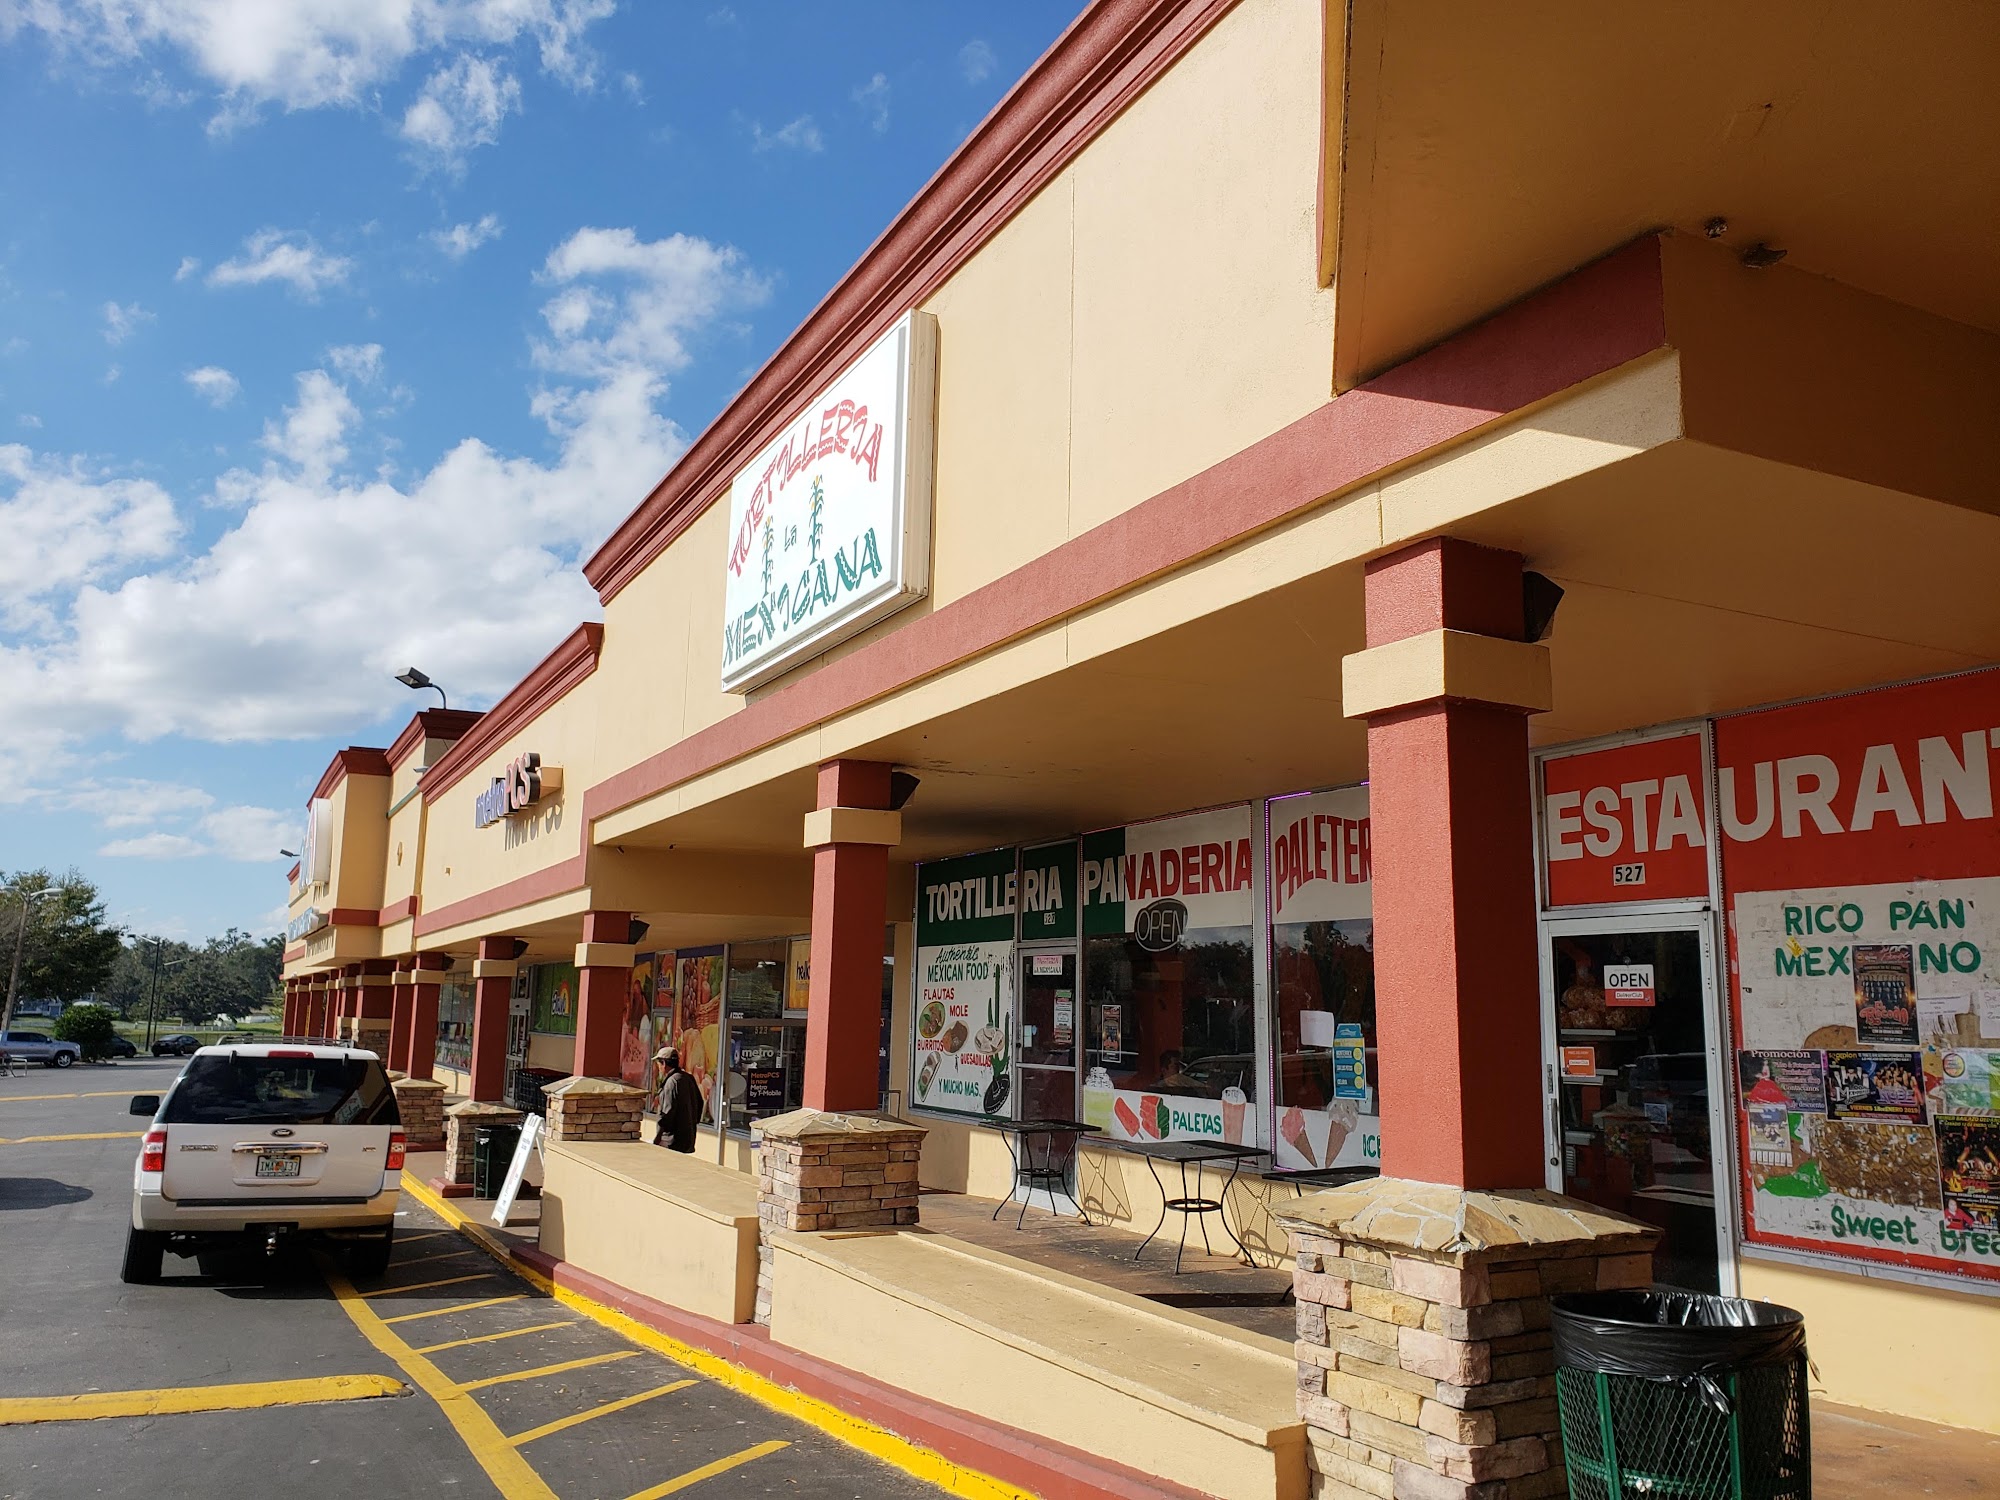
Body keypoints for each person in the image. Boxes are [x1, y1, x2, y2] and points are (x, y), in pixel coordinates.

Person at [654, 1045, 701, 1153]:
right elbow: (700, 1104)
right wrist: (690, 1124)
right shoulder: (688, 1078)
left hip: (670, 1141)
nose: (658, 1067)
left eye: (658, 1063)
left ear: (664, 1063)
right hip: (688, 1139)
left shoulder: (671, 1082)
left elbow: (666, 1114)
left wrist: (658, 1138)